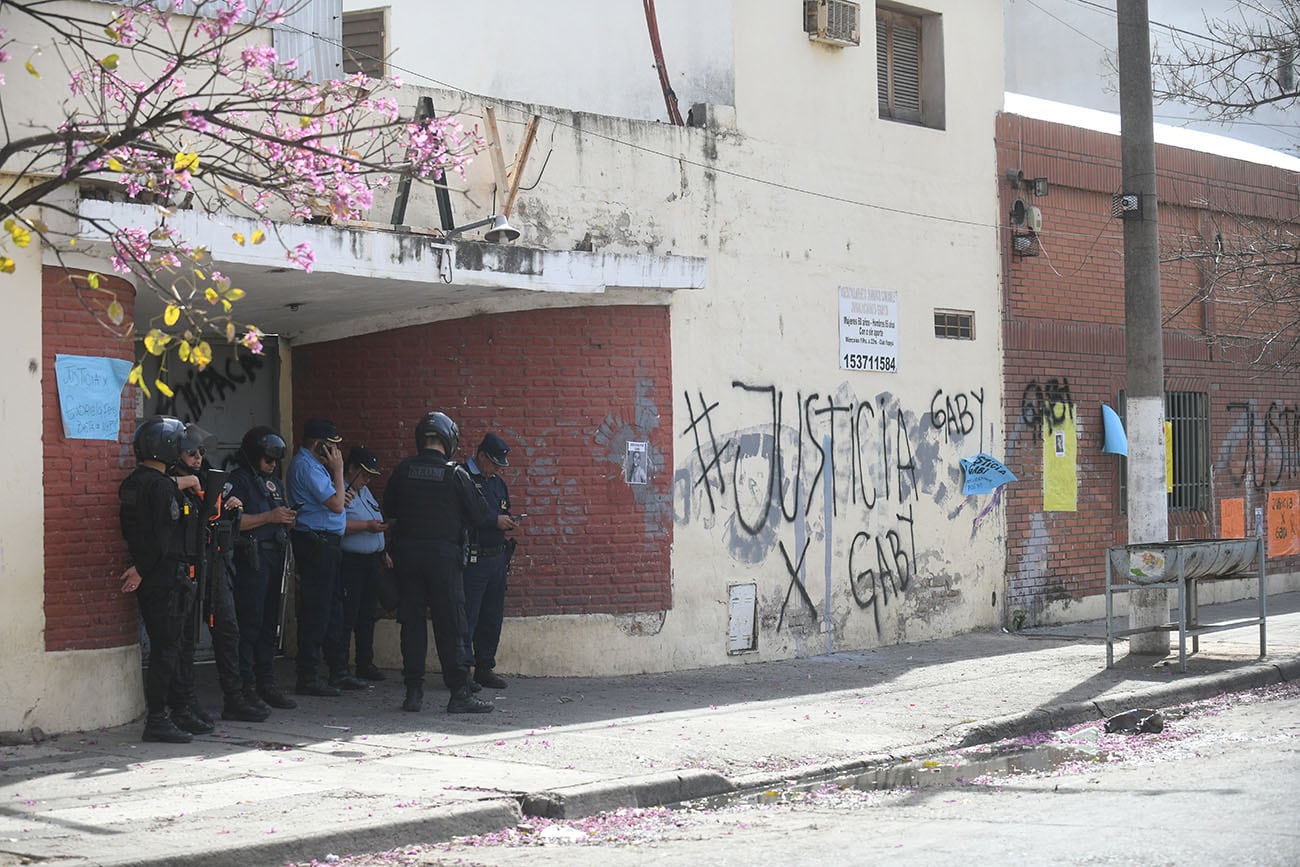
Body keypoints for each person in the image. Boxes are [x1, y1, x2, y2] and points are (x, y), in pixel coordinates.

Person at [384, 411, 495, 714]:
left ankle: (413, 693)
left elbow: (389, 508)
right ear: (449, 440)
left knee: (412, 624)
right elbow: (481, 513)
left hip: (407, 556)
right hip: (443, 559)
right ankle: (459, 692)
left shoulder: (404, 470)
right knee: (451, 625)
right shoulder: (455, 473)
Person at [117, 415, 199, 743]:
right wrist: (143, 568)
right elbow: (162, 539)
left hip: (149, 576)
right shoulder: (162, 488)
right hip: (163, 577)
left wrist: (139, 567)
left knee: (164, 645)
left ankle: (169, 713)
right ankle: (158, 718)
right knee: (167, 648)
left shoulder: (133, 483)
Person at [285, 418, 364, 695]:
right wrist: (339, 471)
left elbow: (337, 501)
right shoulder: (307, 466)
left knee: (333, 609)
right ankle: (308, 674)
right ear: (318, 446)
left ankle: (337, 670)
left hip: (327, 544)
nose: (335, 454)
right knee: (317, 610)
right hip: (315, 544)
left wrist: (339, 486)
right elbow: (336, 505)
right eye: (331, 448)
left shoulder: (317, 467)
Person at [228, 426, 298, 713]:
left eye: (275, 461)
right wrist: (269, 517)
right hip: (251, 559)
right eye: (268, 459)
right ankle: (245, 686)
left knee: (270, 625)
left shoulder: (272, 483)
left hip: (275, 556)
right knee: (250, 624)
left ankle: (266, 683)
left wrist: (285, 519)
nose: (272, 465)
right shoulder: (238, 481)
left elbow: (276, 513)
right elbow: (234, 521)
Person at [462, 433, 519, 691]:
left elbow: (502, 508)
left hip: (497, 556)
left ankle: (484, 668)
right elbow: (463, 514)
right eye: (494, 463)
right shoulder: (463, 477)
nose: (497, 469)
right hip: (473, 558)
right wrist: (493, 521)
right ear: (481, 455)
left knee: (492, 617)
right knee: (468, 616)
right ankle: (461, 671)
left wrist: (507, 520)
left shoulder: (496, 483)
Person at [339, 446, 389, 682]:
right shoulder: (342, 492)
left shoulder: (365, 492)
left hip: (371, 560)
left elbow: (375, 518)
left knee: (368, 614)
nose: (367, 479)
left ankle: (364, 662)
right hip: (351, 561)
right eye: (364, 474)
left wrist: (383, 549)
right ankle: (340, 666)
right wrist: (367, 527)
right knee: (348, 614)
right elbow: (338, 526)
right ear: (351, 469)